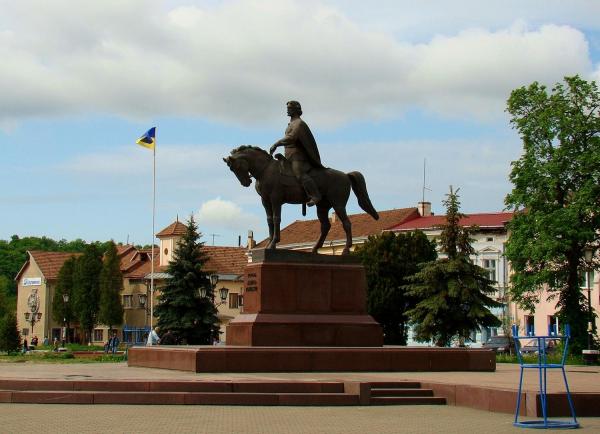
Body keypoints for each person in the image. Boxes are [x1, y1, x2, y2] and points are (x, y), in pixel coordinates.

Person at [269, 100, 324, 206]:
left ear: (296, 110)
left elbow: (291, 138)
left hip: (298, 156)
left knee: (298, 173)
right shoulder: (291, 124)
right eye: (287, 108)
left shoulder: (299, 123)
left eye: (290, 108)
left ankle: (315, 195)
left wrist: (276, 144)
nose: (287, 110)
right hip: (289, 156)